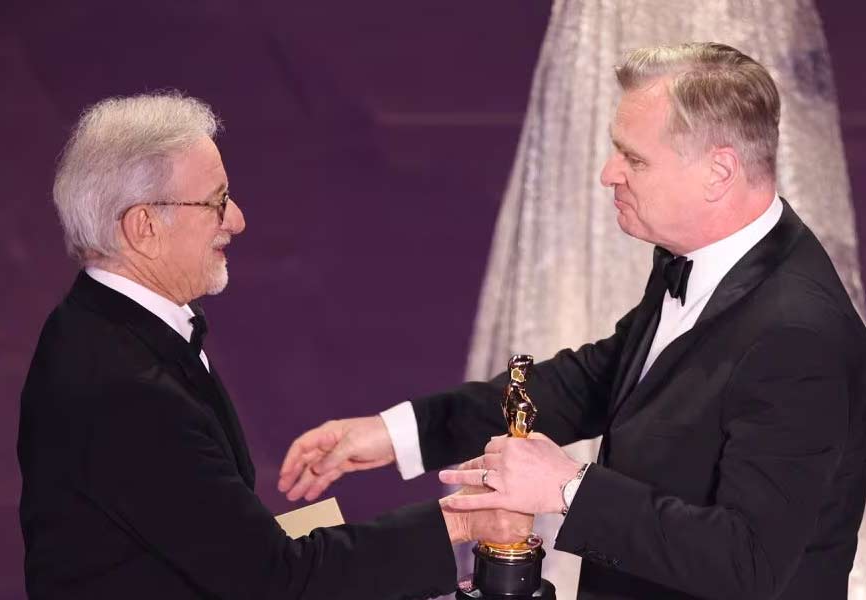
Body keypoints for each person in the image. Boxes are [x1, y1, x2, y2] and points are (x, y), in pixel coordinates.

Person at [279, 43, 866, 599]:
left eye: (634, 157)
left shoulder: (797, 334)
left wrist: (568, 488)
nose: (609, 173)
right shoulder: (699, 260)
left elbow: (751, 564)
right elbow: (586, 383)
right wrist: (396, 434)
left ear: (719, 172)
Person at [16, 93, 530, 600]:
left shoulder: (101, 326)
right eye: (216, 201)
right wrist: (460, 522)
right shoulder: (126, 389)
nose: (236, 219)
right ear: (143, 226)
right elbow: (276, 581)